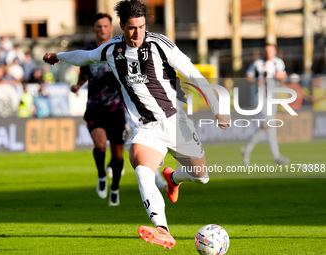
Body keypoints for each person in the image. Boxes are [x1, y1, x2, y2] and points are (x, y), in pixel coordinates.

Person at [43, 0, 230, 249]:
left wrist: (218, 108)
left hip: (175, 121)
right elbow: (84, 57)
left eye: (142, 26)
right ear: (122, 26)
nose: (138, 33)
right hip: (146, 128)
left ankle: (173, 178)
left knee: (201, 176)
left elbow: (192, 73)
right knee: (142, 167)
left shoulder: (160, 45)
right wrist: (58, 56)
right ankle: (162, 229)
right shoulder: (111, 50)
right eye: (132, 28)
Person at [70, 13, 127, 206]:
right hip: (95, 108)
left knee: (117, 155)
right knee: (100, 145)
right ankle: (102, 175)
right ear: (94, 30)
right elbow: (84, 75)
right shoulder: (88, 52)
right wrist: (78, 85)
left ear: (111, 29)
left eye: (105, 26)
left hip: (116, 110)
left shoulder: (119, 51)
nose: (102, 29)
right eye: (98, 26)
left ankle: (115, 188)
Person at [241, 43, 290, 165]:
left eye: (271, 51)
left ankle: (248, 150)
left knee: (268, 127)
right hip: (261, 97)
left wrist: (281, 77)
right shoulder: (257, 63)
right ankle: (274, 156)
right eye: (267, 51)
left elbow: (283, 77)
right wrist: (256, 81)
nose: (269, 53)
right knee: (270, 124)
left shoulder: (278, 62)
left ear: (274, 52)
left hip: (273, 96)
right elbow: (248, 76)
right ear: (264, 51)